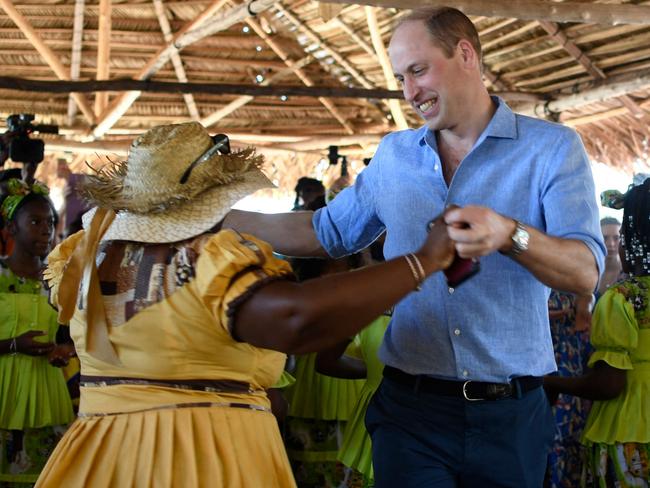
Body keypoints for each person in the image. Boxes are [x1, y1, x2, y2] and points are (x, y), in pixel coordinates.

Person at [224, 7, 605, 487]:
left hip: (510, 414)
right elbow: (326, 232)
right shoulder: (394, 155)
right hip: (411, 410)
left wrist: (511, 234)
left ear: (465, 54)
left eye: (419, 70)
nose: (409, 92)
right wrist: (224, 221)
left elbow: (585, 270)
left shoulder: (551, 148)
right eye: (402, 77)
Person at [34, 122, 456, 487]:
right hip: (199, 453)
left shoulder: (89, 255)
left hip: (102, 451)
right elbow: (297, 320)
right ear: (217, 198)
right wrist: (422, 261)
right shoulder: (204, 256)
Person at [544, 178, 650, 486]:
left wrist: (552, 382)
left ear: (632, 240)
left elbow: (609, 384)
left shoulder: (623, 298)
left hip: (631, 434)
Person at [0, 179, 75, 486]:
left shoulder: (57, 280)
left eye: (49, 222)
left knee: (46, 479)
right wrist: (15, 344)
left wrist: (66, 350)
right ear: (11, 228)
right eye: (34, 221)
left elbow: (74, 336)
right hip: (5, 394)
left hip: (47, 396)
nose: (46, 229)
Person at [545, 290, 593, 487]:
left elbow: (587, 298)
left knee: (568, 427)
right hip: (547, 352)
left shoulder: (577, 270)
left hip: (569, 358)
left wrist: (582, 309)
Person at [597, 216, 624, 296]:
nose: (611, 244)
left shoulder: (630, 273)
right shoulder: (586, 271)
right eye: (604, 238)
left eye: (616, 238)